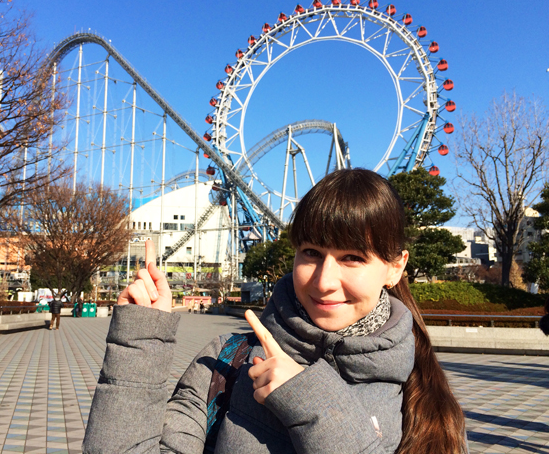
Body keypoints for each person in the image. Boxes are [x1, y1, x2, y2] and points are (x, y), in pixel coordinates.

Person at [83, 169, 467, 453]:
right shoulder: (227, 361)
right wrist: (140, 341)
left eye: (352, 258)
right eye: (311, 253)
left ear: (395, 266)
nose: (323, 281)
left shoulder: (425, 397)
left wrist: (311, 401)